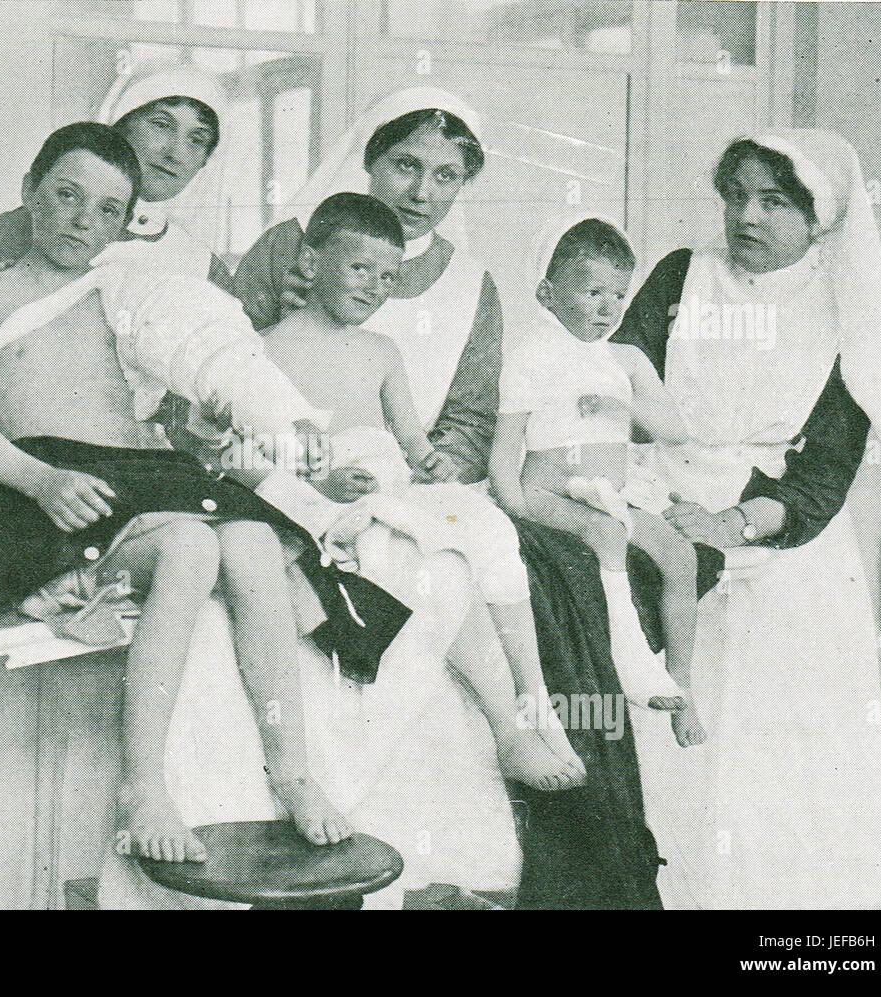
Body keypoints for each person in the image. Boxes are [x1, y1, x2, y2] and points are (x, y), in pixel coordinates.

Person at [229, 86, 665, 908]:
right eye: (405, 165)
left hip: (419, 474)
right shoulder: (294, 247)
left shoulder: (471, 284)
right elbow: (230, 374)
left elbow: (470, 411)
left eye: (446, 175)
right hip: (296, 467)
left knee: (477, 562)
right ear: (371, 159)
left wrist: (427, 466)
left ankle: (481, 813)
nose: (422, 190)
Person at [0, 123, 417, 862]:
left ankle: (291, 767)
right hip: (37, 488)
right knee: (193, 545)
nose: (82, 221)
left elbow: (201, 365)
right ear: (30, 189)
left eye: (108, 210)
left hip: (131, 477)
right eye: (67, 195)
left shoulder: (120, 290)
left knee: (256, 537)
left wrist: (248, 430)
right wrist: (43, 480)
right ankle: (144, 783)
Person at [616, 130, 881, 908]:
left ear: (820, 217)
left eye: (774, 200)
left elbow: (823, 473)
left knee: (772, 762)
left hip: (781, 534)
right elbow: (616, 373)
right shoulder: (683, 276)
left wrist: (734, 524)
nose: (747, 213)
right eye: (736, 194)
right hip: (661, 496)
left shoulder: (842, 311)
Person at [253, 191, 585, 789]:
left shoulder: (381, 350)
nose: (374, 287)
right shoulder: (268, 350)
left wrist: (432, 465)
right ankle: (513, 724)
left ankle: (535, 701)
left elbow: (413, 444)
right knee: (434, 559)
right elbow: (257, 449)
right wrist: (319, 478)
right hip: (326, 493)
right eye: (359, 269)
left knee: (489, 531)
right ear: (309, 257)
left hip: (396, 485)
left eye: (388, 276)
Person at [491, 216, 706, 747]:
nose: (608, 307)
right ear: (548, 293)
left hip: (614, 492)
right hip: (548, 488)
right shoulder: (530, 356)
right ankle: (630, 659)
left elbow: (674, 431)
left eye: (618, 293)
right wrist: (513, 502)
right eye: (593, 292)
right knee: (607, 533)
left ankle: (682, 688)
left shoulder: (626, 359)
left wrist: (618, 403)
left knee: (682, 558)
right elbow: (506, 445)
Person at [0, 61, 231, 288]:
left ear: (206, 161)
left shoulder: (206, 268)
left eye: (197, 139)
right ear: (120, 123)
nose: (174, 153)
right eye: (161, 125)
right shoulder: (24, 226)